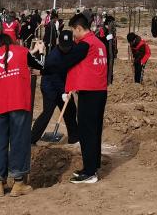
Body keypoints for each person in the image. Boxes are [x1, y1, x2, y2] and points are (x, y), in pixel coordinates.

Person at [0, 33, 43, 196]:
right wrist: (40, 51)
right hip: (18, 102)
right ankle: (18, 183)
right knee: (19, 140)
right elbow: (40, 66)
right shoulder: (20, 51)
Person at [65, 12, 109, 184]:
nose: (73, 34)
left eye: (73, 31)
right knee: (94, 130)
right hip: (99, 91)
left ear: (78, 28)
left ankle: (90, 173)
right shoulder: (99, 43)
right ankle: (92, 166)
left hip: (90, 92)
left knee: (86, 131)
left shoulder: (86, 44)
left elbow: (68, 59)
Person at [31, 29, 83, 144]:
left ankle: (74, 138)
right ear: (59, 43)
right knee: (47, 113)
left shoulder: (74, 48)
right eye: (63, 46)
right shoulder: (53, 57)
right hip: (50, 87)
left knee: (70, 110)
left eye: (68, 46)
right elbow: (54, 78)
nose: (66, 49)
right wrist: (64, 92)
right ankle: (32, 139)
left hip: (63, 84)